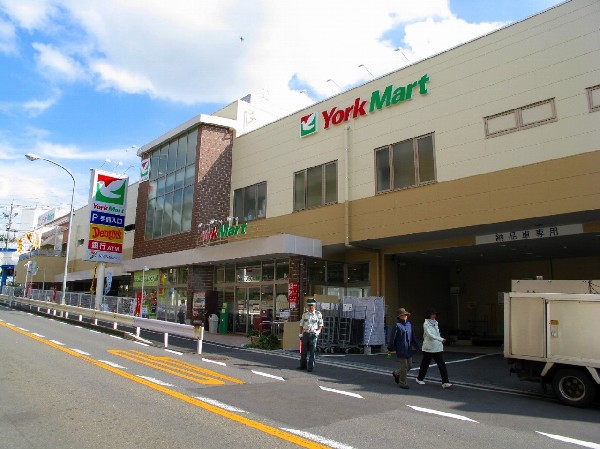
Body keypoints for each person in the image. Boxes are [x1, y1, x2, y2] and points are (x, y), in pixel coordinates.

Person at [415, 309, 453, 389]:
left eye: (435, 314)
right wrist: (441, 339)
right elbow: (430, 334)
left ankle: (445, 382)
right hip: (429, 348)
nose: (434, 316)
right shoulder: (426, 324)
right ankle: (419, 378)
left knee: (441, 364)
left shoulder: (436, 323)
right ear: (429, 315)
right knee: (425, 364)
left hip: (437, 347)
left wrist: (440, 341)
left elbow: (437, 333)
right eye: (433, 314)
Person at [387, 307, 420, 389]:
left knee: (409, 366)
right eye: (404, 315)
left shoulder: (409, 324)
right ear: (400, 316)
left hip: (408, 348)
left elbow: (413, 336)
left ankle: (396, 373)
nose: (405, 316)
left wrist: (416, 345)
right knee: (404, 366)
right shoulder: (397, 325)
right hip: (401, 349)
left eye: (406, 314)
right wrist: (390, 348)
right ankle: (403, 383)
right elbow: (392, 338)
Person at [297, 298, 323, 372]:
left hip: (313, 334)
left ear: (314, 306)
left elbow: (321, 324)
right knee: (303, 351)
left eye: (311, 306)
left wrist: (318, 331)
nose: (310, 307)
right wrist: (300, 333)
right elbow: (301, 324)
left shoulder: (318, 314)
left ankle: (310, 367)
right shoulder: (305, 314)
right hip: (305, 333)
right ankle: (302, 365)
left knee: (312, 352)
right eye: (309, 306)